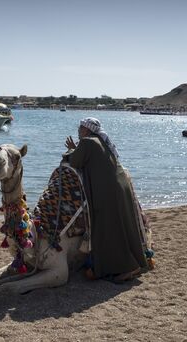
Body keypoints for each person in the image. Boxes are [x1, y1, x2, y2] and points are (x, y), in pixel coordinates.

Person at [64, 117, 148, 282]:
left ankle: (129, 268)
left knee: (111, 229)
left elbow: (75, 161)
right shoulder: (100, 141)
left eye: (80, 128)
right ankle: (135, 262)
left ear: (87, 130)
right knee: (123, 226)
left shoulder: (87, 142)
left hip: (108, 190)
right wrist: (76, 148)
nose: (78, 131)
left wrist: (71, 151)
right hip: (119, 186)